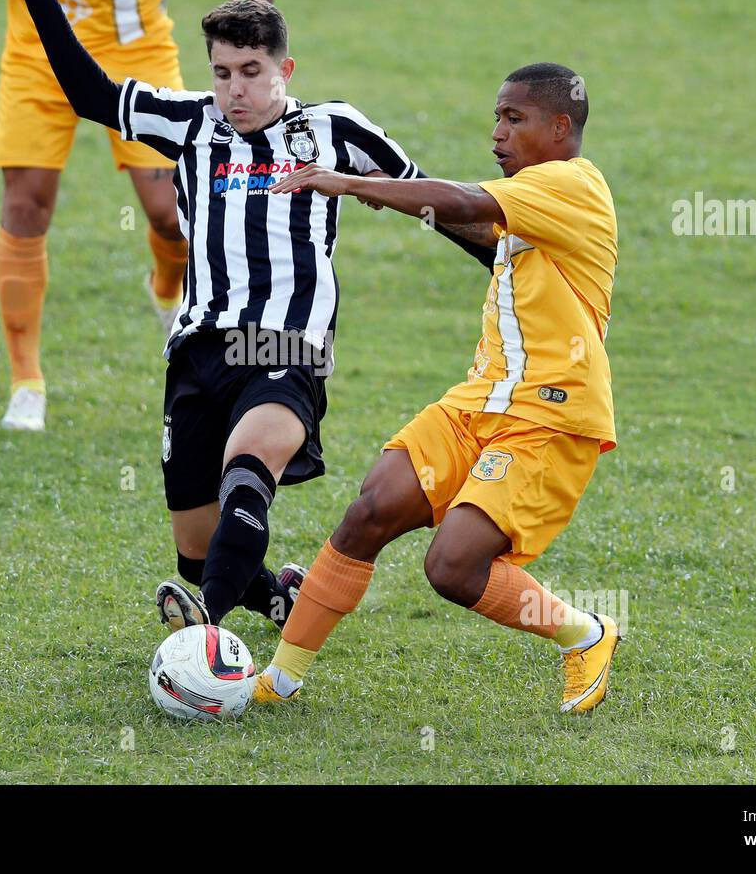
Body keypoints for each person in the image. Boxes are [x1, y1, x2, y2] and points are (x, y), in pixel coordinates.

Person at [0, 0, 495, 633]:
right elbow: (91, 95)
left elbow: (430, 202)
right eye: (223, 72)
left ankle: (206, 630)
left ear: (284, 69)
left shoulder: (332, 129)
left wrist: (512, 264)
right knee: (198, 553)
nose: (235, 88)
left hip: (284, 346)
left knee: (248, 469)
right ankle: (271, 596)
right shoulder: (192, 123)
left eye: (252, 72)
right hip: (197, 352)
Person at [255, 63, 622, 713]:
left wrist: (346, 183)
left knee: (453, 567)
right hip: (480, 400)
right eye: (496, 117)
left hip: (548, 415)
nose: (496, 134)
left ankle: (585, 634)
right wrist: (387, 192)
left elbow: (464, 202)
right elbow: (478, 228)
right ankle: (277, 681)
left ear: (561, 127)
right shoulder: (537, 198)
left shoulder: (572, 183)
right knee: (370, 511)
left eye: (514, 119)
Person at [0, 0, 278, 431]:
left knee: (172, 214)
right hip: (36, 44)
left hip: (136, 46)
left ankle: (167, 291)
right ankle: (26, 383)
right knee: (25, 203)